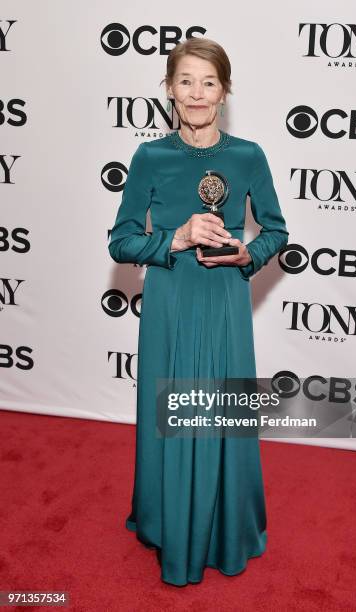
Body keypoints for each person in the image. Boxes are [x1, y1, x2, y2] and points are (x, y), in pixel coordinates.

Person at [108, 37, 289, 586]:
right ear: (169, 89)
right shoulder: (149, 156)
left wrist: (246, 253)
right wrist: (176, 237)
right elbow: (120, 242)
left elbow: (276, 231)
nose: (197, 93)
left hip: (225, 299)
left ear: (225, 91)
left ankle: (224, 527)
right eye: (185, 81)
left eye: (209, 82)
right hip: (170, 300)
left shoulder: (248, 156)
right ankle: (168, 522)